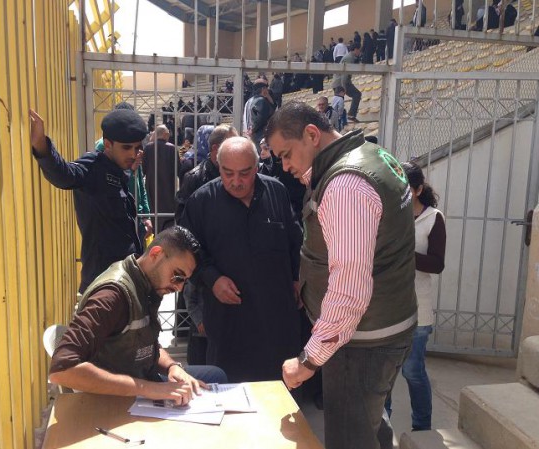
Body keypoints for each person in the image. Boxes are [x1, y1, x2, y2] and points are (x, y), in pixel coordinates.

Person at [265, 102, 417, 449]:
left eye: (286, 154)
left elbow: (349, 290)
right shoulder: (371, 155)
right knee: (369, 425)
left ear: (311, 134)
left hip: (362, 344)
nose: (285, 167)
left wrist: (309, 360)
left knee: (350, 438)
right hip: (386, 326)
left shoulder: (345, 185)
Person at [49, 226, 227, 401]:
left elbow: (145, 345)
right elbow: (61, 370)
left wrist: (172, 367)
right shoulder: (112, 296)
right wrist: (149, 389)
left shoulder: (144, 283)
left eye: (185, 281)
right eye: (177, 276)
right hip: (117, 399)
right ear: (156, 254)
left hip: (142, 378)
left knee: (216, 376)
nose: (179, 287)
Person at [180, 136, 303, 383]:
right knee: (230, 393)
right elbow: (187, 253)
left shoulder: (276, 192)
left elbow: (295, 241)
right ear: (218, 166)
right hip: (229, 323)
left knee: (278, 395)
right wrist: (212, 279)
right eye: (228, 173)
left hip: (276, 320)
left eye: (245, 173)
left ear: (256, 167)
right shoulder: (202, 201)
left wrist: (298, 279)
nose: (236, 182)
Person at [29, 108, 147, 293]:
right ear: (107, 144)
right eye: (126, 147)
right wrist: (41, 146)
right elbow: (64, 175)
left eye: (138, 147)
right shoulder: (93, 166)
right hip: (102, 283)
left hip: (123, 279)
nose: (134, 154)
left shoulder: (118, 172)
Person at [385, 161, 446, 432]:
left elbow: (437, 264)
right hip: (388, 308)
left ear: (419, 190)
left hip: (418, 309)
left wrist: (405, 253)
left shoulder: (433, 219)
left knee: (412, 370)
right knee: (385, 374)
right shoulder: (388, 214)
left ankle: (421, 428)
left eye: (405, 190)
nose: (399, 195)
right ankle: (382, 427)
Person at [174, 125, 239, 365]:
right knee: (201, 333)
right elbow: (184, 226)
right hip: (204, 265)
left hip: (229, 262)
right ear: (215, 150)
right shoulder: (195, 178)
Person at [95, 102, 153, 243]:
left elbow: (140, 182)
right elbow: (109, 181)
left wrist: (146, 214)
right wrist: (130, 169)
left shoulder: (133, 144)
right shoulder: (104, 146)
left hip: (136, 211)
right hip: (118, 213)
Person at [143, 124, 182, 233]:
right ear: (165, 134)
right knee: (168, 220)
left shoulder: (148, 148)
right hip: (168, 188)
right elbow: (179, 170)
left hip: (152, 188)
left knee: (154, 216)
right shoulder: (172, 148)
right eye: (168, 134)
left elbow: (143, 170)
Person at [332, 43, 362, 122]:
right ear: (355, 49)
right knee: (356, 94)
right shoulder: (349, 58)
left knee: (339, 101)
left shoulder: (350, 57)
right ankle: (350, 114)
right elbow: (345, 73)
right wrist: (344, 87)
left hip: (338, 82)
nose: (360, 52)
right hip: (341, 82)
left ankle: (337, 118)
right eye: (359, 50)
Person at [248, 78, 277, 153]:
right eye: (266, 88)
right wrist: (253, 130)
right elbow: (261, 118)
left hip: (257, 135)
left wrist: (268, 96)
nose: (268, 90)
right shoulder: (261, 101)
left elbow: (273, 107)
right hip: (261, 135)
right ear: (263, 89)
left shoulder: (253, 100)